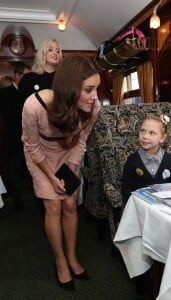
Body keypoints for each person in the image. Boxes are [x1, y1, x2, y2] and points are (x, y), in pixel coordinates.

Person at [22, 54, 101, 291]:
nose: (96, 97)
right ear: (69, 87)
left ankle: (72, 257)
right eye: (89, 89)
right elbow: (32, 146)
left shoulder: (92, 108)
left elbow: (82, 140)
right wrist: (50, 177)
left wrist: (70, 172)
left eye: (97, 88)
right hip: (40, 156)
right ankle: (60, 262)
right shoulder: (34, 105)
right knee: (54, 206)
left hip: (68, 152)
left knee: (69, 202)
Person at [121, 114, 171, 202]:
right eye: (142, 131)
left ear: (162, 138)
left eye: (151, 133)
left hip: (163, 207)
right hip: (139, 207)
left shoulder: (170, 161)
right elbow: (125, 190)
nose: (145, 136)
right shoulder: (132, 160)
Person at [0, 62, 31, 212]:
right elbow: (8, 118)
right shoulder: (5, 93)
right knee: (14, 171)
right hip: (14, 140)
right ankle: (18, 202)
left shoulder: (30, 93)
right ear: (17, 76)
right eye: (26, 76)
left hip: (31, 141)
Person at [18, 38, 62, 102]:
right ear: (42, 53)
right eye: (50, 50)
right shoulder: (28, 78)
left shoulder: (64, 79)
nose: (55, 53)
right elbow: (21, 105)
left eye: (58, 51)